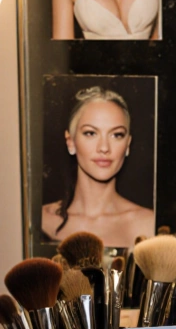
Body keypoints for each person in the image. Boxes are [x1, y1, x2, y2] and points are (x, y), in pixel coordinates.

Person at [41, 86, 155, 247]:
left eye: (116, 135)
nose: (104, 147)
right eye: (90, 133)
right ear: (70, 142)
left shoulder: (148, 224)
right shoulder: (41, 220)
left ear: (127, 145)